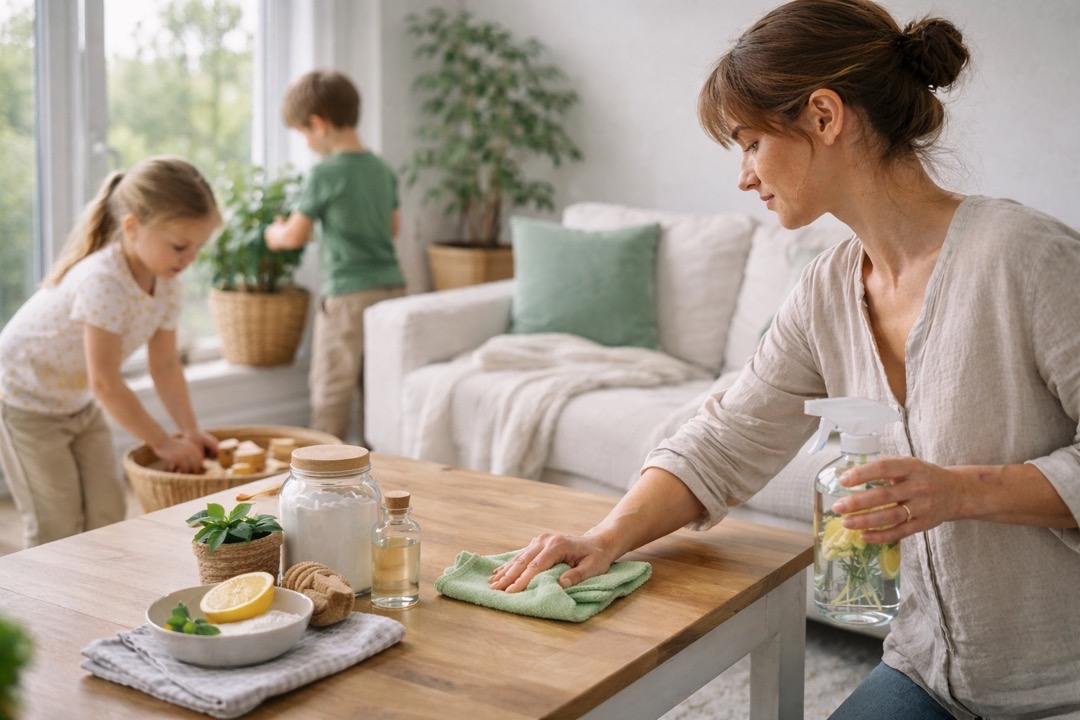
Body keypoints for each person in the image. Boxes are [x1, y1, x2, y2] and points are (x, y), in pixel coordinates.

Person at [488, 1, 1080, 718]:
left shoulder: (1024, 257)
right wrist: (603, 537)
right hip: (928, 671)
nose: (743, 176)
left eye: (748, 142)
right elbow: (728, 435)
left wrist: (960, 491)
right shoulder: (828, 289)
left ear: (824, 117)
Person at [0, 156, 221, 548]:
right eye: (180, 246)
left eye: (198, 248)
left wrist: (189, 430)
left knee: (108, 511)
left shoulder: (167, 281)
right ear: (132, 228)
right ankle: (42, 605)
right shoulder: (103, 280)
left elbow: (166, 366)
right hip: (23, 401)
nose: (190, 260)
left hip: (77, 401)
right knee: (56, 520)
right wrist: (164, 443)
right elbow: (106, 382)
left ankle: (92, 592)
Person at [264, 69, 406, 444]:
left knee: (332, 388)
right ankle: (380, 466)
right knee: (378, 389)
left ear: (318, 124)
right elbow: (392, 229)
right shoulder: (382, 170)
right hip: (392, 290)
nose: (306, 142)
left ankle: (323, 474)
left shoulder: (323, 174)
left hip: (347, 296)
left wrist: (273, 234)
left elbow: (293, 236)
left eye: (303, 133)